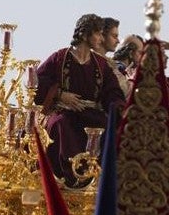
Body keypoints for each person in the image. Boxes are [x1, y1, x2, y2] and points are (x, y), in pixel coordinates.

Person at [35, 13, 125, 187]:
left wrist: (119, 107)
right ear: (85, 34)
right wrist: (60, 94)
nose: (100, 38)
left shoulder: (100, 64)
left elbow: (112, 92)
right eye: (97, 33)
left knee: (109, 127)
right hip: (63, 111)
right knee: (59, 125)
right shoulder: (60, 58)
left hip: (90, 114)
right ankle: (67, 179)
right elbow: (38, 82)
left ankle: (99, 179)